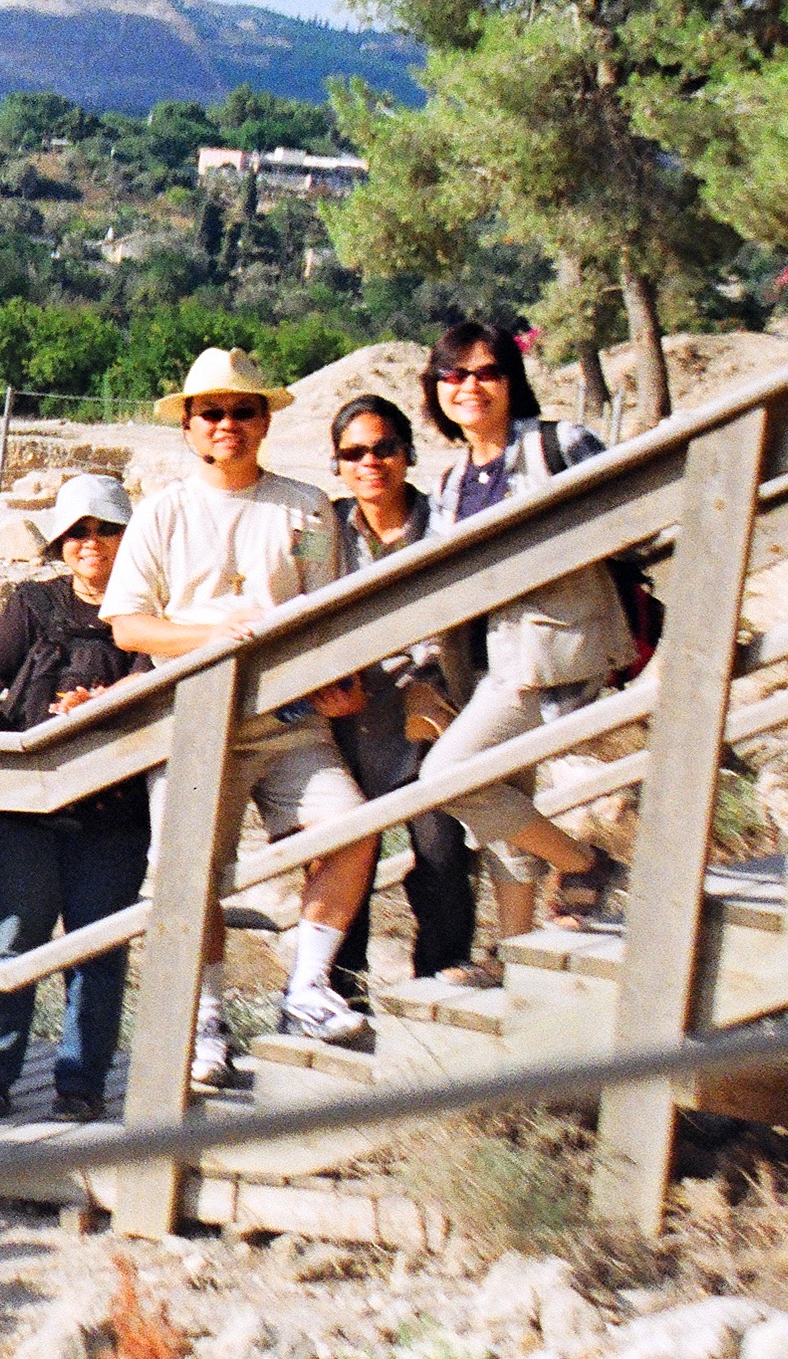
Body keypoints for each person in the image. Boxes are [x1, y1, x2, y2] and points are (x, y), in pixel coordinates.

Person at [101, 349, 380, 1090]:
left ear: (265, 421)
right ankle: (205, 1023)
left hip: (290, 720)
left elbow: (327, 609)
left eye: (242, 411)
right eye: (212, 413)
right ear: (189, 427)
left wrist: (341, 682)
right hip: (196, 722)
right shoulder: (162, 510)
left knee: (351, 829)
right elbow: (129, 626)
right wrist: (213, 639)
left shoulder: (307, 507)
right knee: (187, 873)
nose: (227, 425)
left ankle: (309, 988)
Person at [415, 323, 630, 967]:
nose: (470, 387)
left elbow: (629, 513)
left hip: (553, 653)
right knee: (504, 802)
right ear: (437, 391)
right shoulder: (452, 481)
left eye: (487, 373)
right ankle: (515, 951)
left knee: (450, 778)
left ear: (513, 381)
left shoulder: (560, 443)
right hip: (489, 661)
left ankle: (586, 864)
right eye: (453, 376)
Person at [0, 477, 148, 1122]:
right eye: (78, 532)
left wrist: (102, 705)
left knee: (97, 946)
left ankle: (81, 1083)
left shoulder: (146, 608)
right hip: (30, 802)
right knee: (14, 937)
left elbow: (151, 682)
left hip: (113, 805)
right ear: (60, 542)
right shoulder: (34, 602)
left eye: (105, 530)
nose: (91, 544)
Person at [323, 395, 479, 996]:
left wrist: (434, 678)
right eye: (354, 452)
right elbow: (297, 594)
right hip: (348, 718)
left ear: (408, 453)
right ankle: (341, 1000)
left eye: (383, 447)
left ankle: (438, 994)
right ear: (337, 464)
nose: (371, 462)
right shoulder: (325, 529)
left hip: (428, 715)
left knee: (441, 861)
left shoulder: (443, 519)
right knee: (343, 866)